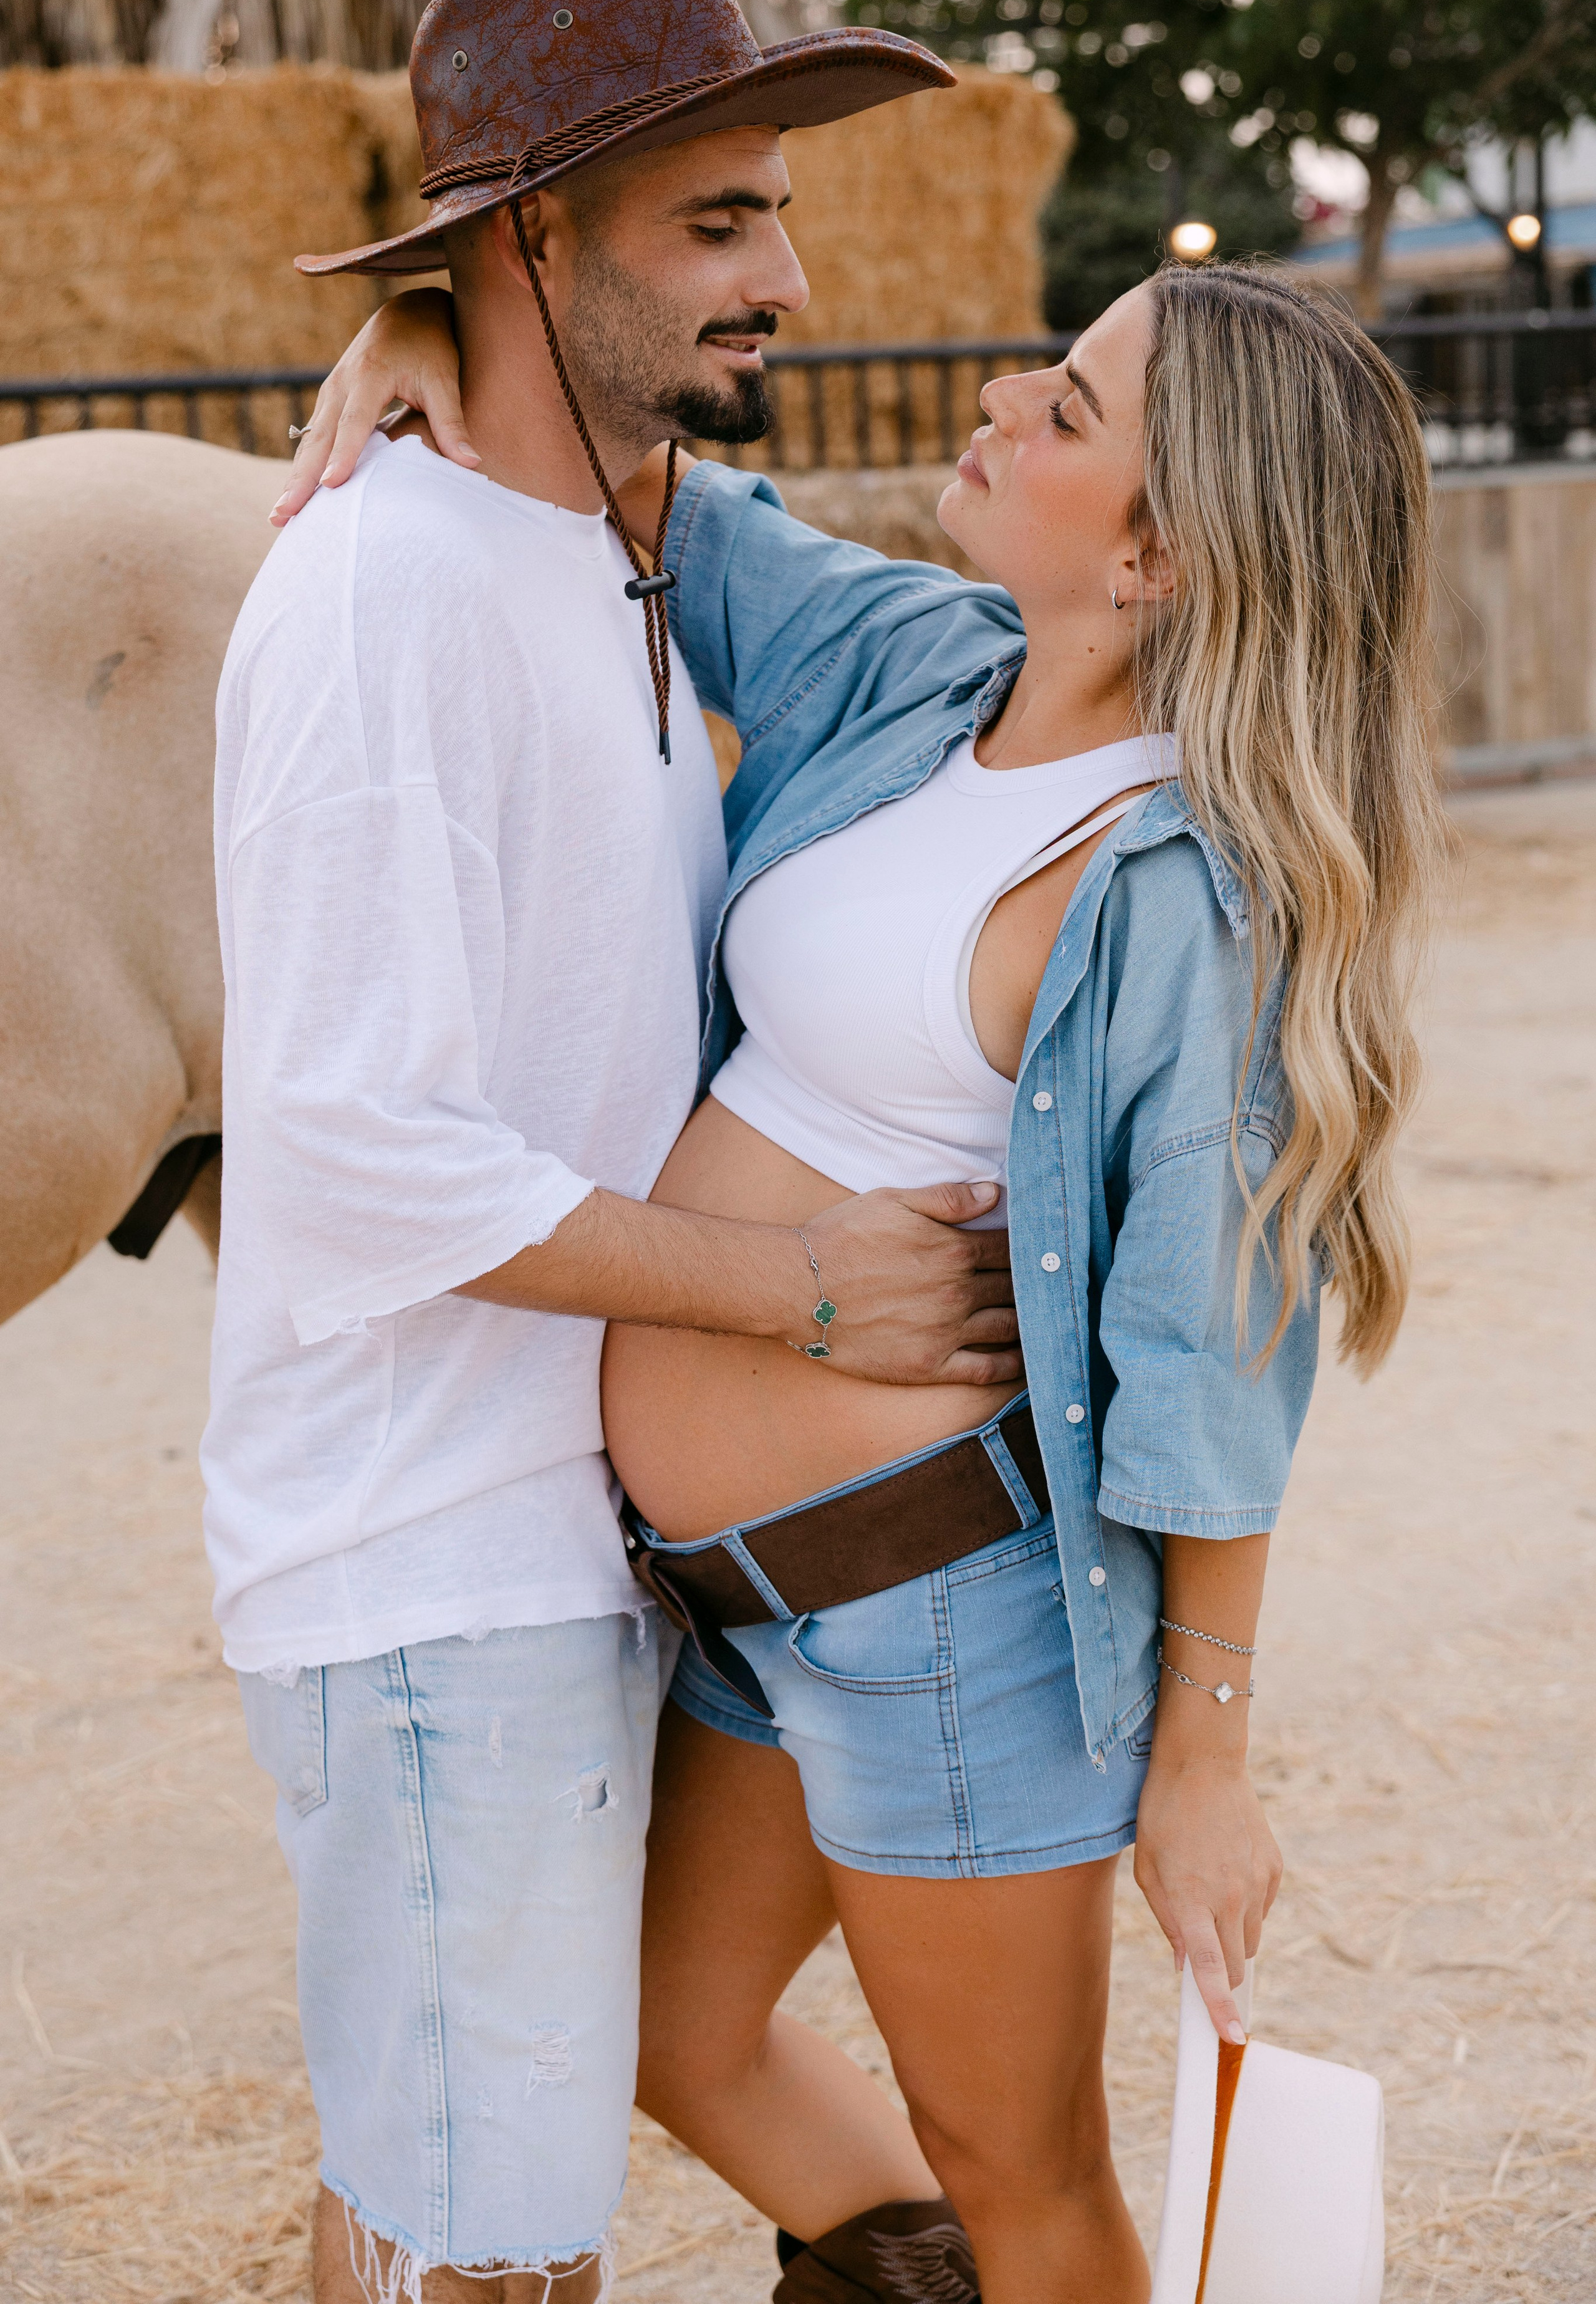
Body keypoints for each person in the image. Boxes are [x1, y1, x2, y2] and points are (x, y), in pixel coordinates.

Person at [297, 238, 1440, 2304]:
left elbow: (1215, 1348)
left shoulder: (1184, 890)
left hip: (944, 1619)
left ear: (1166, 558)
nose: (1005, 401)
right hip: (742, 1611)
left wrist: (1205, 1766)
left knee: (1037, 2185)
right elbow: (676, 503)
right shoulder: (922, 667)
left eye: (1069, 410)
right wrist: (436, 325)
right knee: (672, 2034)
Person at [208, 0, 1024, 2304]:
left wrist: (434, 335)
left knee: (447, 2195)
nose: (790, 275)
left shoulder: (621, 556)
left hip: (550, 1548)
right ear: (533, 241)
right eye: (718, 224)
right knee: (502, 2252)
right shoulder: (392, 597)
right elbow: (358, 1148)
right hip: (432, 1553)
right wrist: (806, 1290)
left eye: (775, 213)